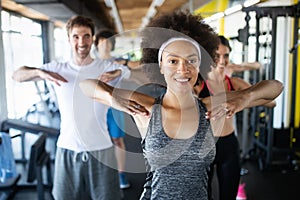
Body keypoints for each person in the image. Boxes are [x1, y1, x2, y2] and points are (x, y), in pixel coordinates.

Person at [79, 12, 283, 199]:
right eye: (173, 61)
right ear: (160, 65)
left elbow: (275, 87)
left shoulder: (210, 107)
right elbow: (86, 86)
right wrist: (112, 97)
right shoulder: (147, 108)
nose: (183, 70)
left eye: (191, 61)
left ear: (200, 65)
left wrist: (244, 98)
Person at [12, 15, 132, 200]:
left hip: (102, 148)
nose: (81, 42)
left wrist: (120, 70)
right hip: (67, 148)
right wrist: (39, 72)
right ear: (69, 39)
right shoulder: (56, 68)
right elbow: (17, 75)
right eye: (76, 36)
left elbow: (131, 72)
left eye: (86, 36)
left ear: (92, 38)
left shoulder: (105, 67)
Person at [196, 35, 277, 200]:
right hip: (204, 146)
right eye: (216, 55)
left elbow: (271, 102)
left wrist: (243, 101)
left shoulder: (235, 83)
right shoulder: (198, 85)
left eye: (225, 56)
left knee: (229, 195)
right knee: (203, 196)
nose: (222, 60)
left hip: (229, 145)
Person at [94, 29, 130, 189]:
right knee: (98, 141)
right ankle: (100, 173)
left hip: (114, 108)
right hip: (96, 108)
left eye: (108, 41)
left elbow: (128, 72)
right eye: (102, 41)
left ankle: (121, 174)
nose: (105, 44)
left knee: (117, 140)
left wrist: (117, 72)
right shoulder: (91, 63)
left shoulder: (117, 63)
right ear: (97, 44)